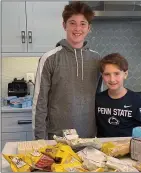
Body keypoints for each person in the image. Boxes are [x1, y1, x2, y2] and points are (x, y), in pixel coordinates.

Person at [32, 1, 101, 140]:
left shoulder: (97, 59)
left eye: (83, 23)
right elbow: (40, 102)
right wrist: (40, 140)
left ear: (89, 28)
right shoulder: (49, 58)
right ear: (64, 25)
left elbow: (99, 99)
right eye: (72, 23)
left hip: (89, 139)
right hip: (57, 139)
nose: (77, 28)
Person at [95, 53, 141, 137]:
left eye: (116, 74)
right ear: (102, 76)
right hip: (103, 148)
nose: (112, 79)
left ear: (125, 74)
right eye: (107, 74)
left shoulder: (136, 100)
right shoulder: (98, 99)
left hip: (128, 148)